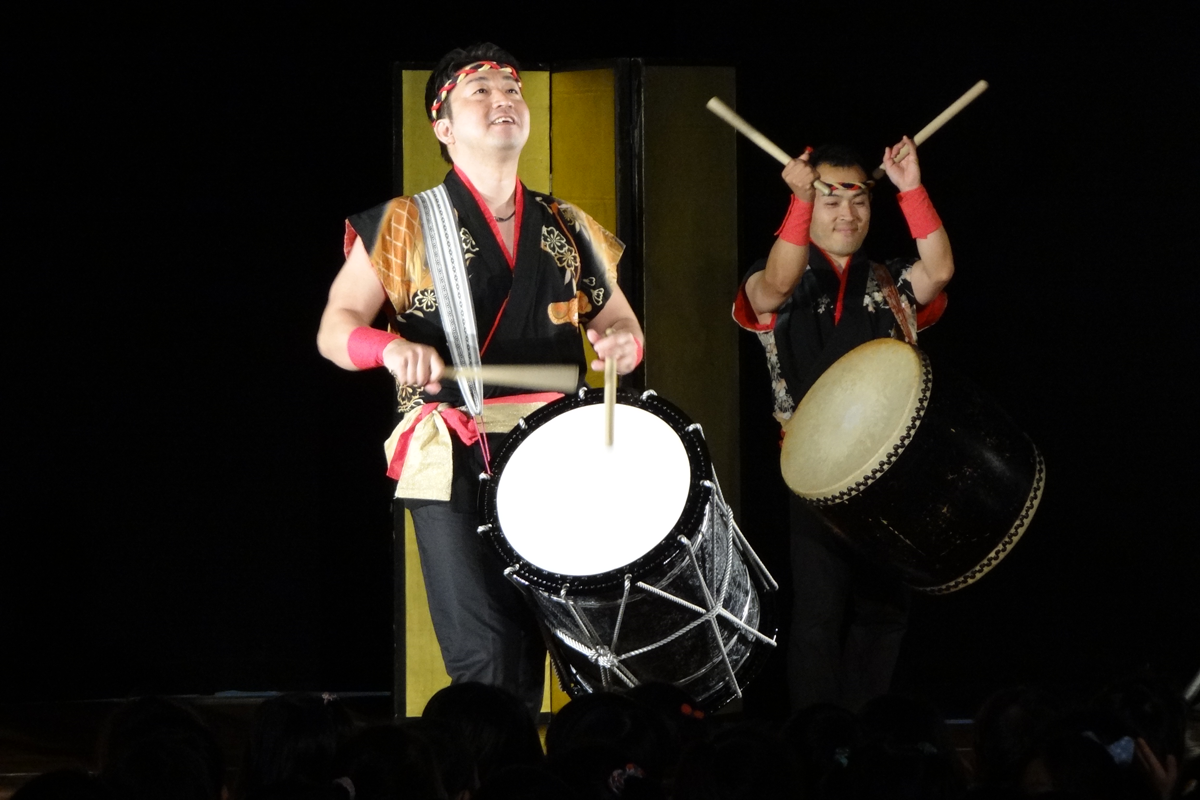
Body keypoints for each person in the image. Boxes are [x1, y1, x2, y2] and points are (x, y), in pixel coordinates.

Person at [317, 43, 644, 714]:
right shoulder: (402, 224)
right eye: (481, 91)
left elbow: (621, 324)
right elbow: (334, 328)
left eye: (512, 90)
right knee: (486, 652)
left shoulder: (568, 225)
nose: (504, 100)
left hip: (555, 451)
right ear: (442, 126)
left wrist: (619, 342)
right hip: (452, 455)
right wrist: (385, 349)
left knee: (579, 641)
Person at [732, 139, 954, 712]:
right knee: (818, 614)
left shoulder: (890, 283)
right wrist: (799, 205)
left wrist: (911, 189)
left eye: (858, 201)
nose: (847, 214)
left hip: (890, 471)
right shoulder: (776, 277)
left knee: (886, 612)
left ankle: (870, 741)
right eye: (830, 200)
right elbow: (774, 289)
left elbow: (941, 268)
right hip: (815, 477)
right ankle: (818, 744)